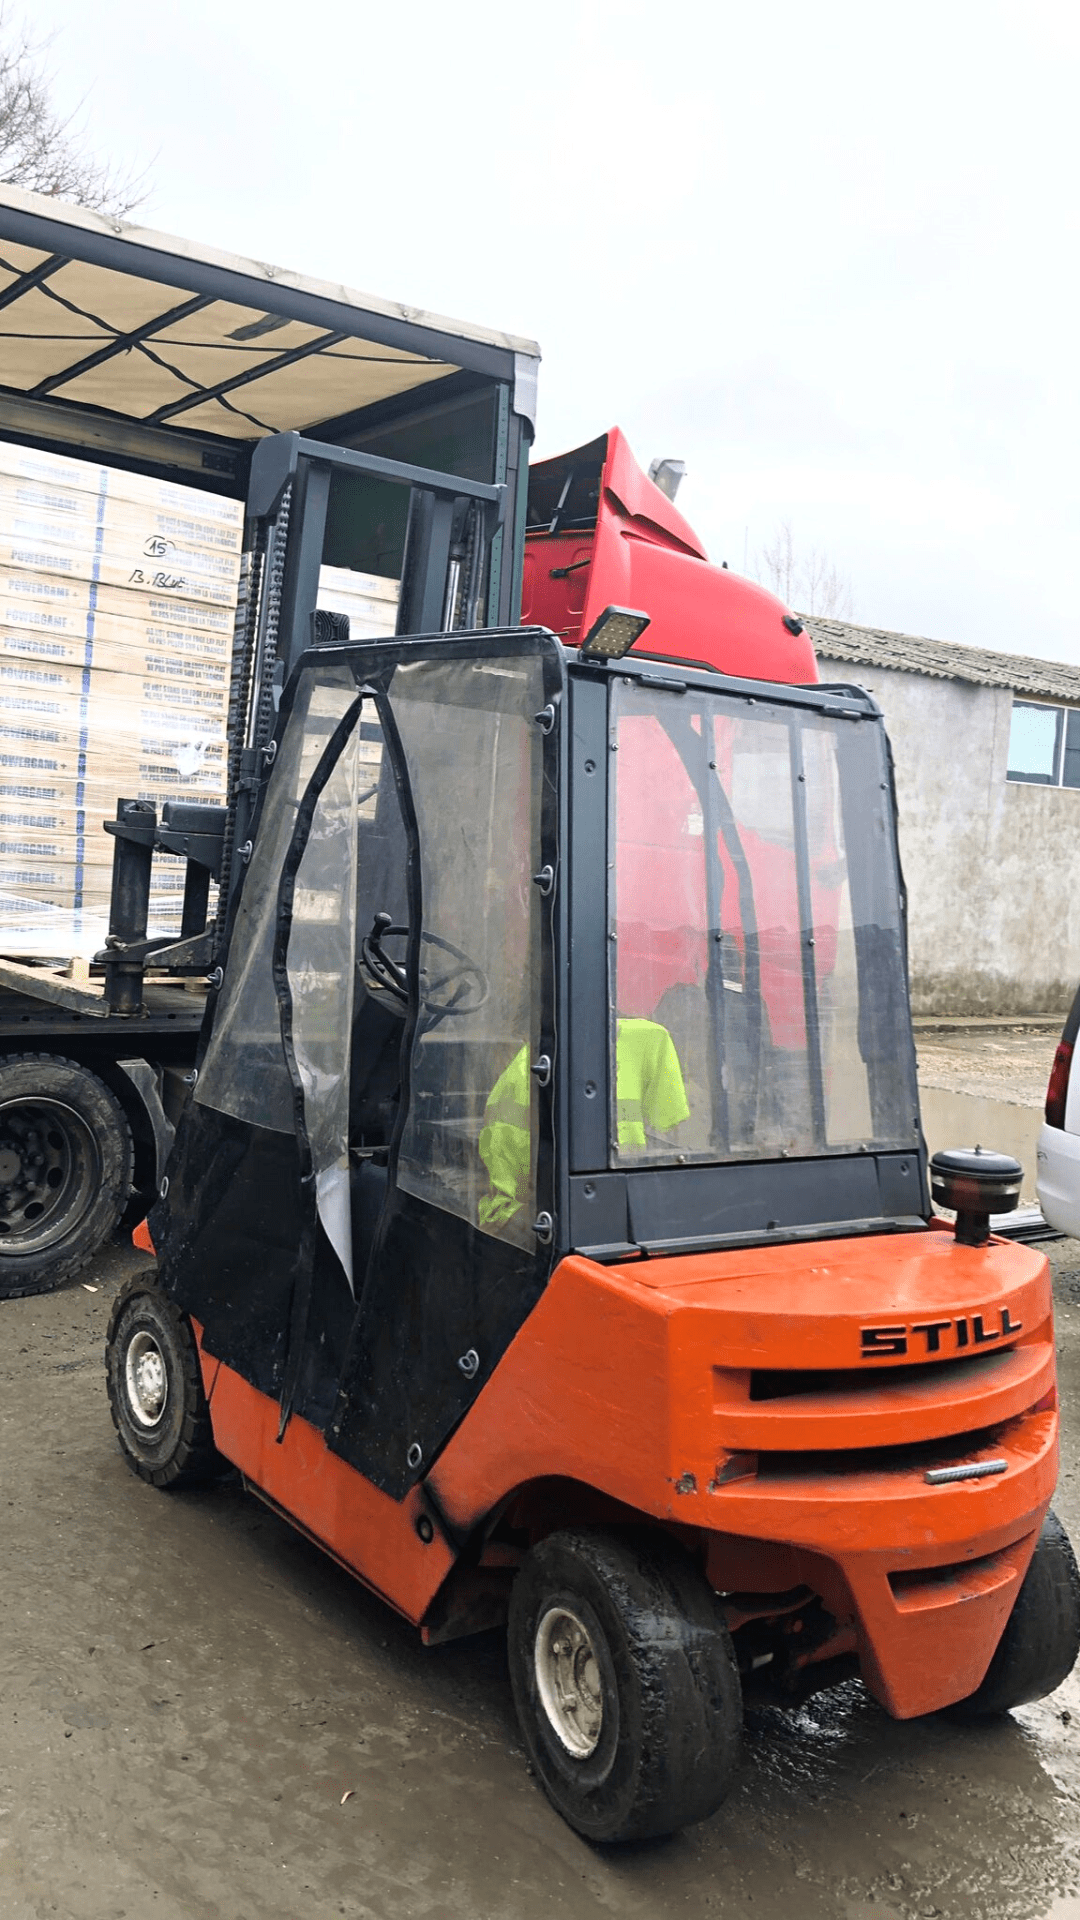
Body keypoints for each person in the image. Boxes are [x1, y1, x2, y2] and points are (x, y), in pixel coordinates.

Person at [478, 1018, 690, 1228]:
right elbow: (672, 1132)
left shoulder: (528, 1066)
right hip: (622, 1197)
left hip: (561, 1204)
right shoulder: (650, 1038)